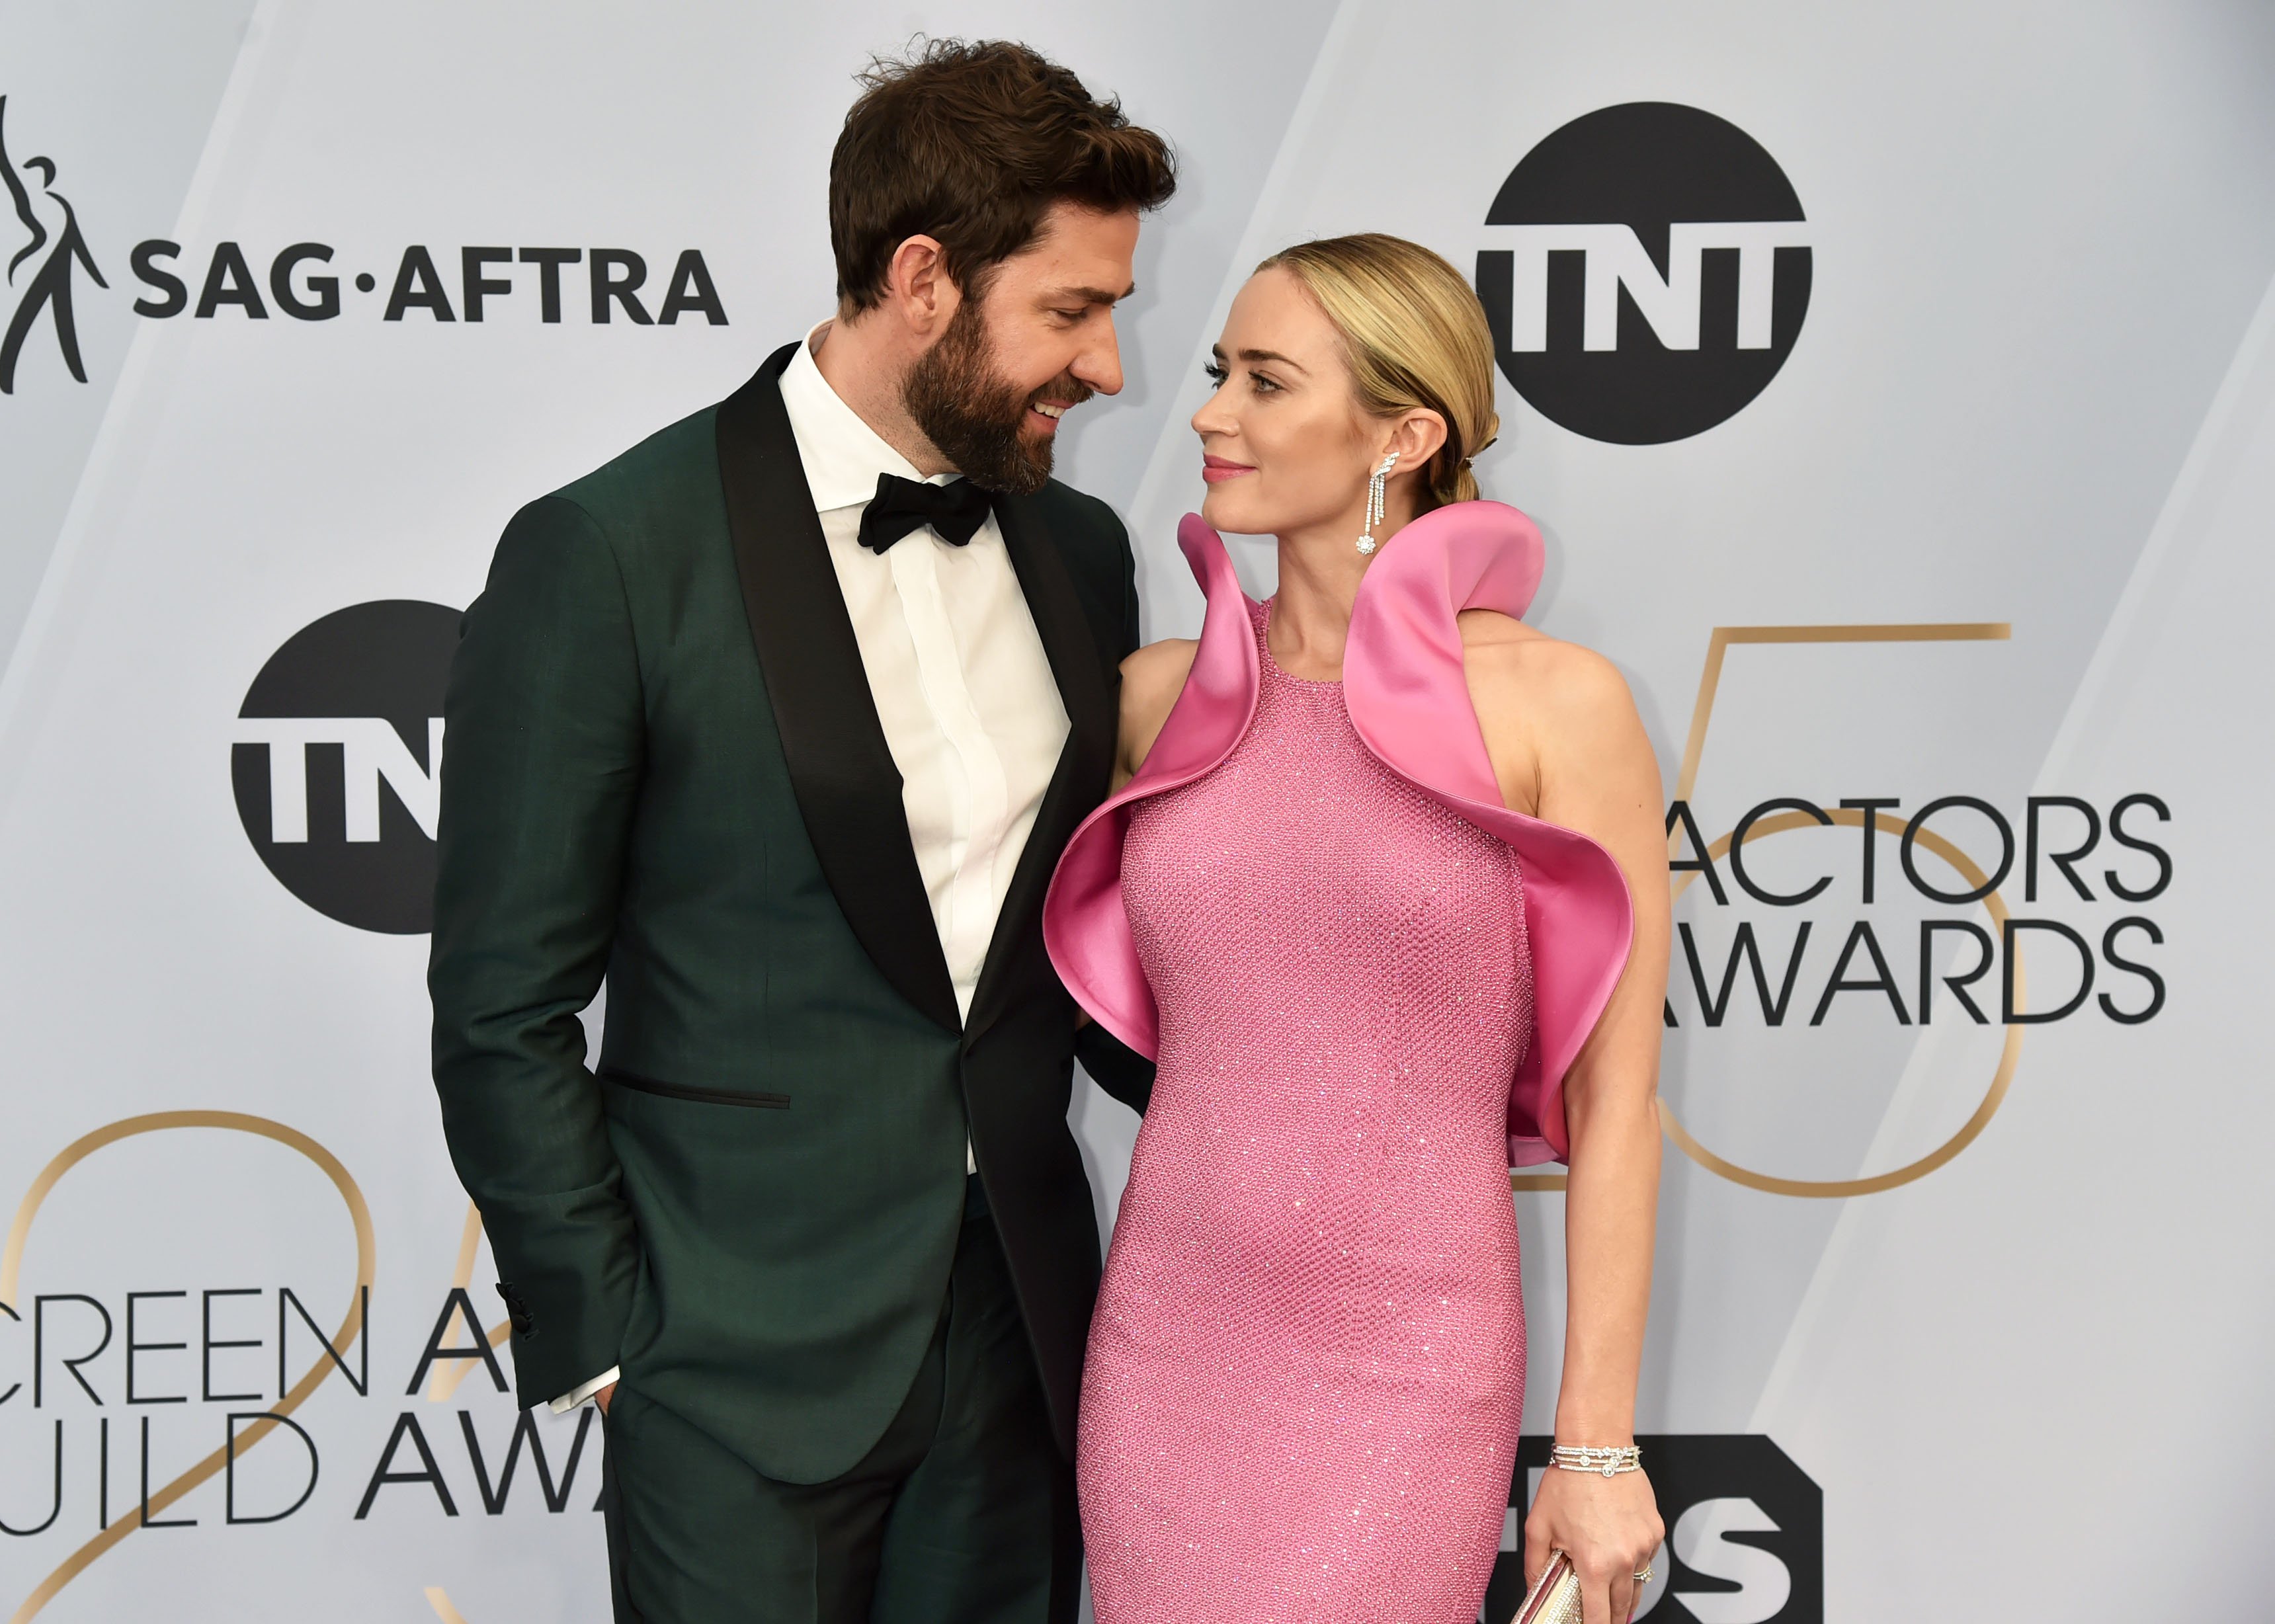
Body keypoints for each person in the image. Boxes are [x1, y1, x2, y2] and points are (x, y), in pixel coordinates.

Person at [428, 41, 1172, 1624]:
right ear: (923, 278)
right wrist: (619, 1341)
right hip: (731, 1362)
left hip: (1023, 1339)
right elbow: (501, 1004)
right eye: (1072, 310)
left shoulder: (1084, 551)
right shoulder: (613, 552)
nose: (1110, 365)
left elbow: (1099, 941)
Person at [1045, 235, 1670, 1624]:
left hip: (1406, 1362)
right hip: (1167, 1348)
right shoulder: (1158, 697)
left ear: (1407, 433)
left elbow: (1617, 1103)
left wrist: (1593, 1443)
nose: (1209, 413)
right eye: (1221, 375)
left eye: (1266, 382)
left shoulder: (1560, 705)